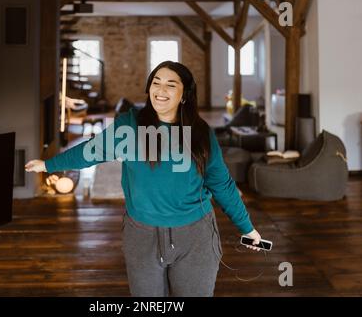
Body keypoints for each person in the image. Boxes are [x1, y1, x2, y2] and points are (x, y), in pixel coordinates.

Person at [25, 61, 262, 297]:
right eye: (155, 83)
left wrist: (247, 228)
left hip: (195, 236)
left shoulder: (201, 134)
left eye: (171, 84)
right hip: (141, 235)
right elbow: (92, 150)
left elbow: (221, 184)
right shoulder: (130, 125)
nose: (161, 90)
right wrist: (49, 164)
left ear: (184, 95)